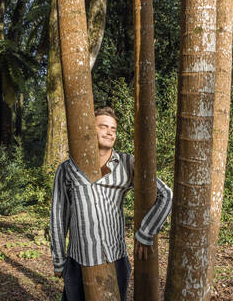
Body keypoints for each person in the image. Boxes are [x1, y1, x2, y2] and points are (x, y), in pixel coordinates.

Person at [50, 106, 173, 301]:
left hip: (115, 258)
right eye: (103, 127)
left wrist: (145, 233)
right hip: (77, 261)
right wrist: (58, 260)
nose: (109, 132)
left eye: (113, 129)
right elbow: (58, 215)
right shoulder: (68, 168)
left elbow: (166, 194)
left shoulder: (127, 163)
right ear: (90, 130)